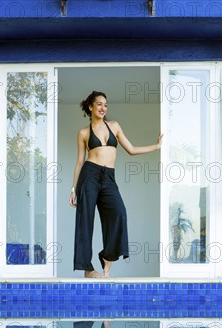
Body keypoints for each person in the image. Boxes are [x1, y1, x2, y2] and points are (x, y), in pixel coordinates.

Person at [69, 91, 163, 278]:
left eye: (105, 105)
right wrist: (73, 189)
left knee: (119, 213)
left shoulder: (114, 126)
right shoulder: (84, 133)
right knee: (85, 221)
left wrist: (156, 146)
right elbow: (80, 161)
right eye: (99, 104)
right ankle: (87, 269)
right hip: (89, 175)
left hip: (109, 177)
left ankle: (107, 258)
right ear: (90, 107)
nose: (103, 108)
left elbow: (132, 149)